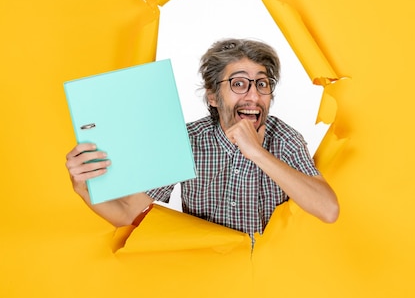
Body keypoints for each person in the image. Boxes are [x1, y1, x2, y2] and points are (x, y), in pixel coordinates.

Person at [65, 38, 339, 239]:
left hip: (267, 280)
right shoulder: (188, 140)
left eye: (262, 84)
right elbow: (126, 213)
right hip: (206, 278)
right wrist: (82, 188)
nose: (254, 96)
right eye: (239, 84)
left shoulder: (286, 140)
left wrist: (256, 152)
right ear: (212, 96)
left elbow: (328, 209)